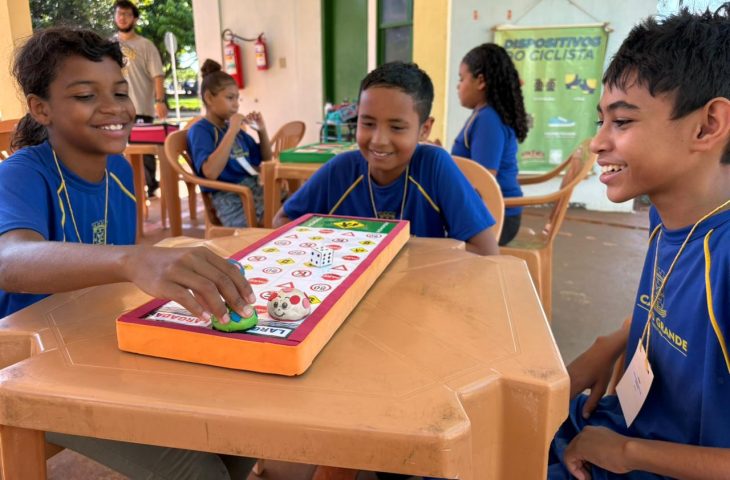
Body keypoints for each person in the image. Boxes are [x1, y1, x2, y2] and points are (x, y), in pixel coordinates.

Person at [0, 27, 257, 479]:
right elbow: (10, 261)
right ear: (41, 108)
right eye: (86, 95)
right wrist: (132, 259)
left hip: (98, 345)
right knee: (198, 470)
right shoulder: (24, 173)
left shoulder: (119, 171)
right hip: (29, 366)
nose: (114, 107)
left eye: (120, 92)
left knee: (243, 424)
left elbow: (112, 278)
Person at [549, 4, 730, 479]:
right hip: (621, 425)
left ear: (708, 125)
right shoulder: (667, 216)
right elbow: (672, 309)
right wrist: (611, 343)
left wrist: (629, 453)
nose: (597, 142)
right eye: (601, 121)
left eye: (622, 122)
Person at [273, 62, 499, 257]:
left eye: (397, 127)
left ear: (424, 129)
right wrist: (338, 246)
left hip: (421, 288)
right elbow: (282, 220)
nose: (379, 140)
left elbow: (486, 250)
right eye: (367, 123)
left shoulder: (434, 166)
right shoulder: (340, 170)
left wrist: (390, 250)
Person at [451, 43, 528, 246]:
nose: (458, 86)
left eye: (461, 79)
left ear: (481, 81)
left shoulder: (488, 119)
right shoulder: (484, 115)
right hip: (494, 212)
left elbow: (483, 180)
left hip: (496, 218)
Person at [187, 59, 272, 227]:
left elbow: (266, 157)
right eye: (230, 98)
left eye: (237, 98)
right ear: (209, 98)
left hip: (253, 191)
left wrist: (261, 130)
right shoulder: (201, 130)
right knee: (284, 219)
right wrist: (232, 130)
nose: (236, 104)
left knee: (297, 207)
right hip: (230, 199)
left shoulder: (233, 130)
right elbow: (210, 172)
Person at [113, 0, 167, 197]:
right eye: (119, 14)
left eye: (127, 14)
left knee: (145, 153)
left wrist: (160, 101)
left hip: (141, 108)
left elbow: (157, 75)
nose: (122, 18)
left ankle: (151, 188)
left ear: (134, 19)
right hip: (116, 110)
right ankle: (127, 188)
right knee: (119, 150)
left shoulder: (146, 45)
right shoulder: (109, 45)